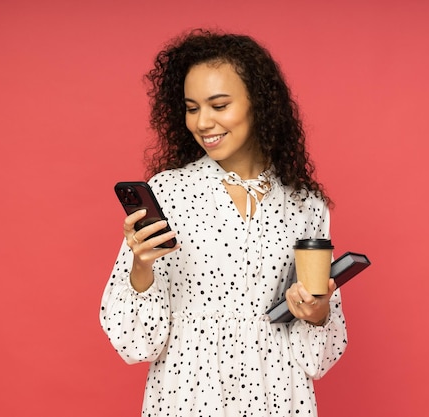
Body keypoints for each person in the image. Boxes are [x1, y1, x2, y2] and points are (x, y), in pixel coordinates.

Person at [100, 29, 347, 416]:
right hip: (187, 396)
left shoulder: (304, 205)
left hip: (277, 395)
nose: (202, 123)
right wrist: (142, 266)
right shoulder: (168, 192)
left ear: (259, 105)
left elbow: (319, 359)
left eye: (219, 105)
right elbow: (136, 345)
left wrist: (317, 314)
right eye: (192, 107)